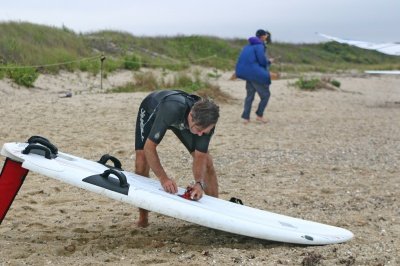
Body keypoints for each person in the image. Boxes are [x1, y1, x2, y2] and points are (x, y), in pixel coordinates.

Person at [134, 89, 220, 227]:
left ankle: (215, 218)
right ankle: (143, 218)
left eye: (205, 131)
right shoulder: (172, 108)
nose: (200, 135)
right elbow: (149, 148)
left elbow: (200, 156)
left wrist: (199, 183)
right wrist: (163, 178)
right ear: (191, 116)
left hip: (184, 122)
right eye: (198, 130)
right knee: (142, 160)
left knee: (208, 162)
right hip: (153, 109)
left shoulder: (206, 122)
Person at [235, 29, 273, 124]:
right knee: (266, 95)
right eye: (266, 35)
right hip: (255, 74)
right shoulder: (260, 46)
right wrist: (269, 62)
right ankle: (259, 115)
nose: (267, 37)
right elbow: (262, 61)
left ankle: (246, 118)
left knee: (249, 96)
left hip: (247, 73)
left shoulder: (247, 46)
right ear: (263, 36)